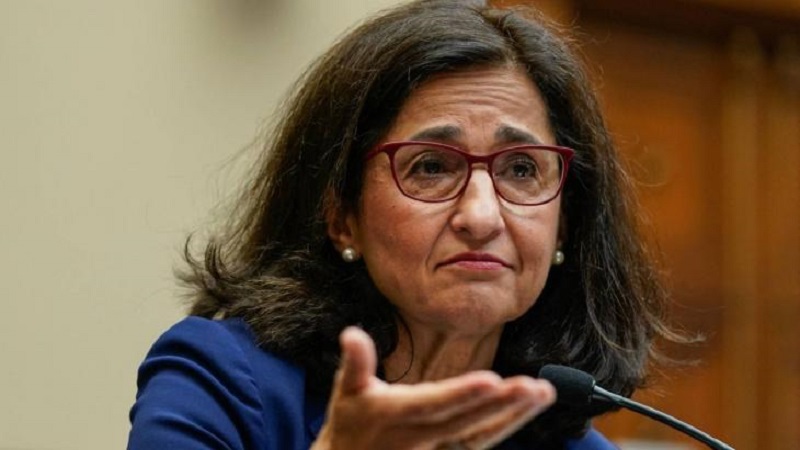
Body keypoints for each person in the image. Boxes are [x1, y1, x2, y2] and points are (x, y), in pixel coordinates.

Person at [128, 0, 680, 448]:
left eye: (520, 169)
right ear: (342, 216)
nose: (482, 216)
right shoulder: (222, 379)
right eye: (432, 167)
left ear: (562, 227)